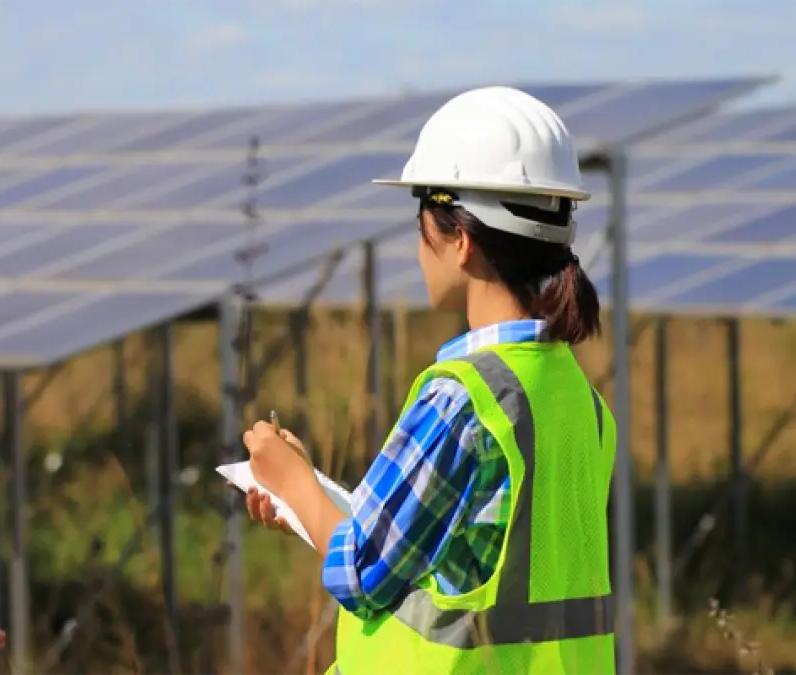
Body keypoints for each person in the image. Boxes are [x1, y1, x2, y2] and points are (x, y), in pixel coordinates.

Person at [242, 86, 617, 674]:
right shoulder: (581, 401)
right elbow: (470, 570)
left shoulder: (463, 401)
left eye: (421, 229)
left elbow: (362, 573)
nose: (419, 252)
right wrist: (310, 503)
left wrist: (292, 482)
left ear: (460, 241)